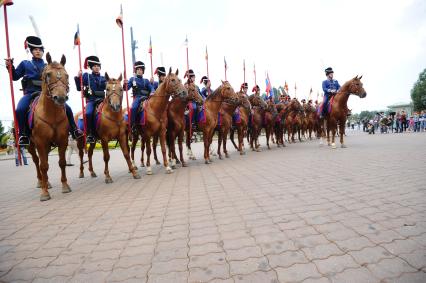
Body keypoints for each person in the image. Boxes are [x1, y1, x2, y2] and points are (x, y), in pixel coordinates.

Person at [6, 36, 82, 146]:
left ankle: (74, 130)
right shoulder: (25, 64)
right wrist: (10, 67)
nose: (38, 52)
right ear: (31, 51)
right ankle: (23, 134)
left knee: (67, 108)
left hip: (47, 93)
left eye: (40, 50)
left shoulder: (48, 66)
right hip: (30, 93)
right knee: (20, 109)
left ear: (43, 52)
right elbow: (15, 76)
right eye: (35, 50)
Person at [75, 56, 106, 144]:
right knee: (88, 113)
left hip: (102, 100)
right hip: (91, 100)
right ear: (91, 67)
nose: (97, 67)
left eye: (98, 66)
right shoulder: (86, 76)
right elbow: (78, 88)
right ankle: (90, 134)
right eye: (94, 66)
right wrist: (78, 77)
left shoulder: (103, 78)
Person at [124, 61, 154, 133]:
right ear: (135, 70)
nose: (139, 71)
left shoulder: (146, 81)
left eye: (141, 70)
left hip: (146, 98)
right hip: (137, 98)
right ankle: (133, 125)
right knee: (134, 107)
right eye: (138, 69)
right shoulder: (132, 79)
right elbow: (126, 89)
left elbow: (151, 88)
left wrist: (152, 91)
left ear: (143, 71)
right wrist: (125, 83)